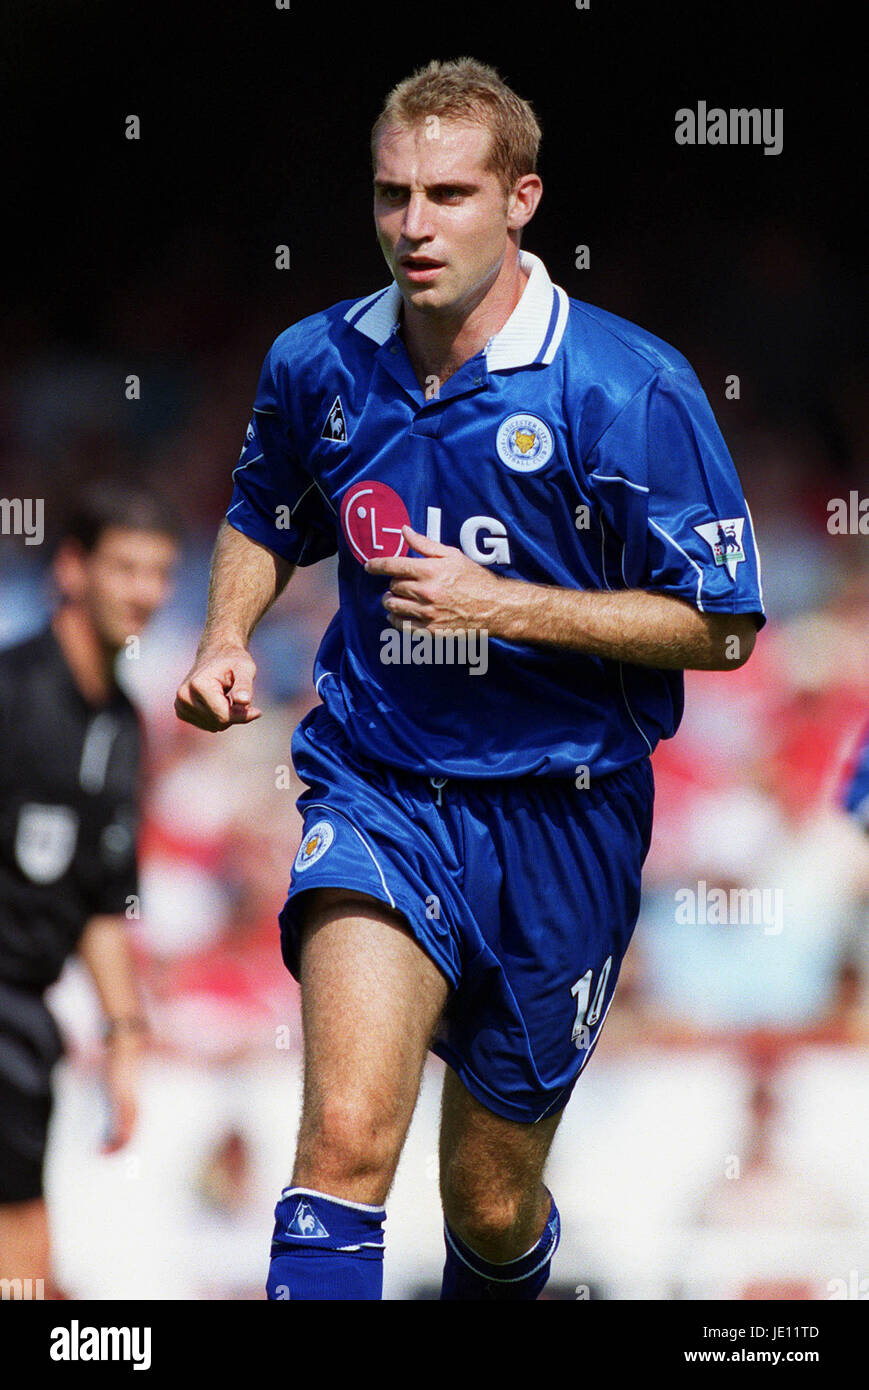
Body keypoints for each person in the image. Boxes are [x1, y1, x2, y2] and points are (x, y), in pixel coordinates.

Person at [175, 57, 765, 1301]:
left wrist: (503, 606)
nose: (413, 226)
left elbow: (721, 627)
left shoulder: (626, 386)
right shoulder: (318, 360)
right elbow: (262, 512)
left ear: (521, 199)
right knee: (341, 1144)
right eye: (392, 196)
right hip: (380, 786)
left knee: (487, 1207)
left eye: (447, 195)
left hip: (565, 817)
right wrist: (228, 633)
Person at [0, 480, 179, 1297]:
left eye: (159, 573)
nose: (144, 593)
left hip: (25, 1020)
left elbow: (106, 904)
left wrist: (124, 1040)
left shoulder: (122, 726)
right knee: (23, 1242)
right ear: (73, 568)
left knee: (28, 1248)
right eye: (125, 568)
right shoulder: (10, 695)